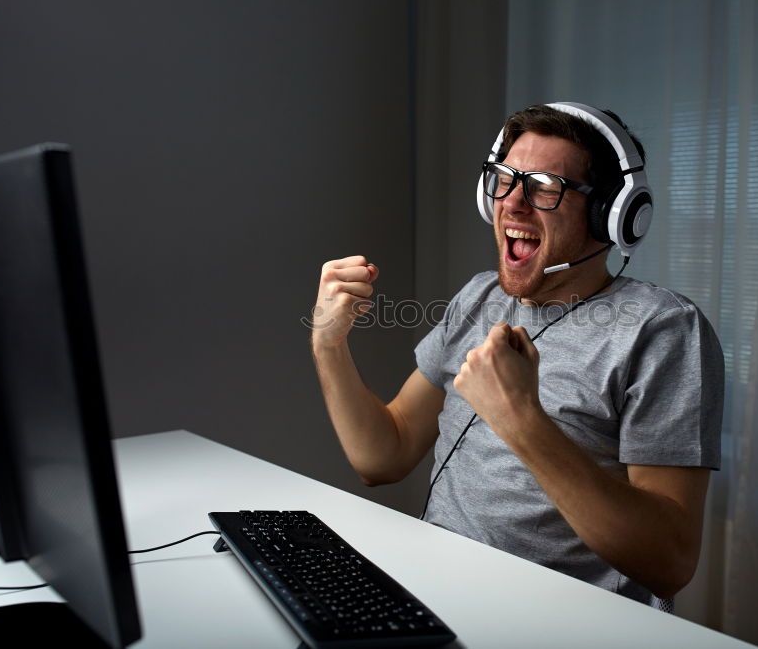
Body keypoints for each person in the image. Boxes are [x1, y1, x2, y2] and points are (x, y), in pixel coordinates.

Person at [310, 103, 724, 609]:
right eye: (504, 179)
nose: (514, 203)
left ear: (611, 216)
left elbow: (670, 562)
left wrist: (520, 419)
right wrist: (328, 344)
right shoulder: (479, 298)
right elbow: (383, 456)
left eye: (546, 187)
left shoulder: (661, 330)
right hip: (433, 596)